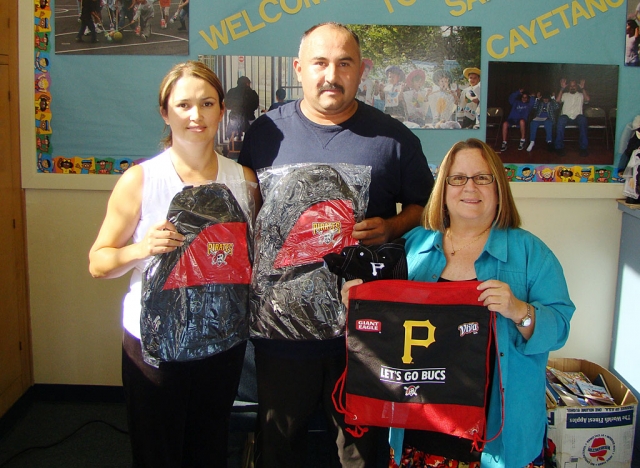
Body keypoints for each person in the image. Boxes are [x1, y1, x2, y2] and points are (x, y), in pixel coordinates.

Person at [237, 22, 434, 468]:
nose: (332, 74)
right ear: (299, 69)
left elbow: (426, 205)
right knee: (279, 444)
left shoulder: (394, 138)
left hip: (363, 328)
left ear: (361, 71)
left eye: (344, 63)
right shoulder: (267, 132)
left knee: (360, 452)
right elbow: (246, 209)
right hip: (282, 330)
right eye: (320, 63)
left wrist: (391, 226)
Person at [342, 138, 575, 468]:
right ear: (444, 187)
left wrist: (519, 311)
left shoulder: (530, 253)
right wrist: (359, 302)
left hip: (496, 438)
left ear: (498, 187)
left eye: (482, 177)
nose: (470, 187)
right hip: (421, 430)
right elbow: (385, 330)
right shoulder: (410, 247)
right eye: (458, 178)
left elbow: (560, 328)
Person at [88, 61, 260, 467]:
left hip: (222, 343)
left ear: (222, 110)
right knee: (158, 452)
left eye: (206, 104)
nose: (195, 116)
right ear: (165, 113)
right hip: (156, 349)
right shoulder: (141, 180)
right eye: (183, 105)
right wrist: (141, 249)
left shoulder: (246, 180)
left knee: (210, 448)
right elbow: (98, 262)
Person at [554, 78, 590, 157]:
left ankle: (583, 148)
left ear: (577, 87)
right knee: (561, 119)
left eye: (574, 86)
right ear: (568, 87)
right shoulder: (565, 94)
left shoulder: (581, 95)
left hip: (577, 117)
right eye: (570, 86)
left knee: (583, 119)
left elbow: (587, 99)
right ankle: (559, 147)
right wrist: (562, 88)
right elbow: (557, 100)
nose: (572, 87)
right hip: (566, 117)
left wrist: (583, 88)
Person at [225, 76, 260, 142]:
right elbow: (255, 106)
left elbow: (227, 105)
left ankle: (231, 143)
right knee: (255, 129)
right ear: (247, 83)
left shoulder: (231, 91)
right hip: (249, 118)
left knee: (231, 126)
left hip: (235, 119)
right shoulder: (252, 93)